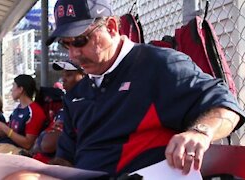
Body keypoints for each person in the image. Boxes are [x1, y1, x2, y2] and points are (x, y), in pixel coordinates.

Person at [43, 0, 245, 177]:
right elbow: (66, 159)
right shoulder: (77, 93)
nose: (73, 55)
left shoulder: (157, 65)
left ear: (112, 27)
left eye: (80, 41)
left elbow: (227, 107)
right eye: (65, 44)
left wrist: (200, 132)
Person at [31, 60, 85, 163]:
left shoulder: (84, 105)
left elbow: (47, 145)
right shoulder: (66, 103)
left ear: (83, 75)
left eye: (69, 75)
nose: (63, 79)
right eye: (63, 75)